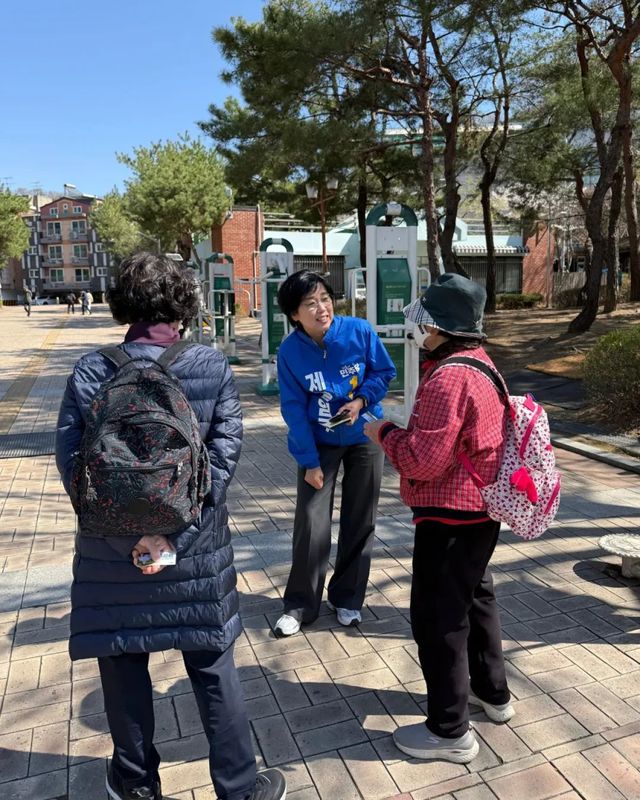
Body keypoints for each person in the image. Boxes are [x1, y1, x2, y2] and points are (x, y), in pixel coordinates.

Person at [56, 252, 286, 800]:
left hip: (110, 554)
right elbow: (224, 456)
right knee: (212, 664)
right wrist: (171, 534)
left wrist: (127, 534)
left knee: (123, 665)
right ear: (183, 304)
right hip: (195, 549)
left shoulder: (93, 369)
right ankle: (238, 787)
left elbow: (71, 461)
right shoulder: (208, 365)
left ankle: (136, 786)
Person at [364, 273, 514, 764]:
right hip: (481, 510)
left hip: (448, 516)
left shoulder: (449, 375)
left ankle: (450, 730)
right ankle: (492, 693)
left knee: (438, 619)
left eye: (426, 323)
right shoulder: (483, 364)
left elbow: (422, 460)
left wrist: (382, 430)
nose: (421, 332)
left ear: (440, 326)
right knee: (476, 599)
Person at [273, 270, 396, 637]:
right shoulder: (290, 351)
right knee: (311, 523)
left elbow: (384, 371)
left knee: (361, 518)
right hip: (319, 443)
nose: (321, 308)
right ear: (295, 314)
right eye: (310, 303)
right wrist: (309, 461)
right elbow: (293, 408)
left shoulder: (359, 331)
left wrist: (361, 400)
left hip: (365, 436)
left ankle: (347, 599)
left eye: (325, 298)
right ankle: (300, 604)